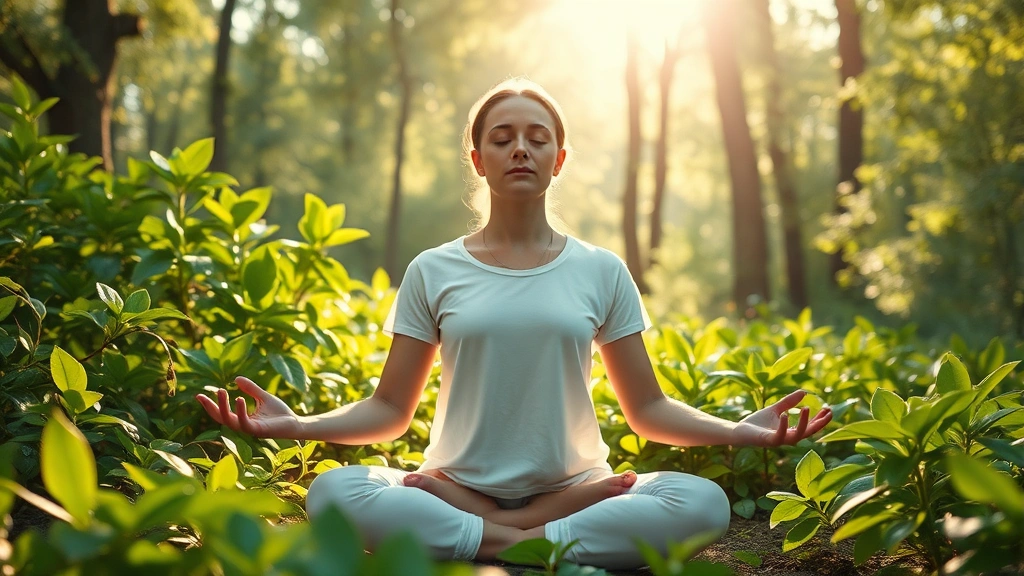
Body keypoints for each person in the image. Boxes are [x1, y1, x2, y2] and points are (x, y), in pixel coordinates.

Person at [195, 78, 832, 570]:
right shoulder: (433, 269)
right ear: (479, 158)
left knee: (702, 504)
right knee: (335, 492)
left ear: (558, 158)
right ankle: (535, 540)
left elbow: (648, 408)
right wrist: (298, 424)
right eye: (502, 137)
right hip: (450, 484)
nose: (520, 147)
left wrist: (737, 433)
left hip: (580, 485)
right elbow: (391, 409)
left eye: (536, 137)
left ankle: (489, 538)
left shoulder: (601, 270)